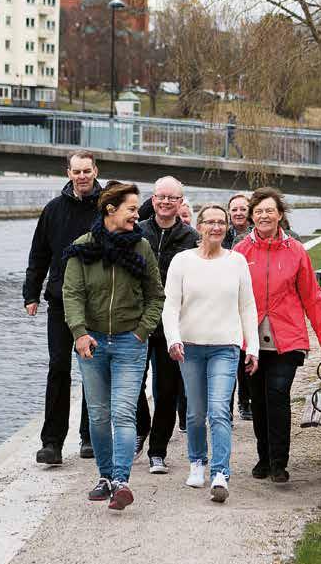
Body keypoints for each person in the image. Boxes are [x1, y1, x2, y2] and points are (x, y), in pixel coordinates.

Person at [62, 181, 164, 510]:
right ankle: (105, 476)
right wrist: (79, 333)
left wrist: (142, 331)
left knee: (123, 413)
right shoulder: (83, 247)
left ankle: (121, 481)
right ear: (111, 210)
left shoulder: (141, 248)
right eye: (132, 209)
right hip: (91, 342)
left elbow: (156, 295)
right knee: (99, 415)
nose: (138, 215)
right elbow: (72, 294)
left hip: (129, 343)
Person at [236, 187, 321, 482]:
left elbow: (312, 297)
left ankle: (279, 461)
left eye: (269, 210)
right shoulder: (241, 252)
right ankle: (263, 457)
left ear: (280, 215)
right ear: (251, 217)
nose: (264, 216)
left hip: (288, 339)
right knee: (258, 399)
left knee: (277, 395)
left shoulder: (296, 251)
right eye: (258, 211)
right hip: (252, 341)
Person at [163, 204, 259, 503]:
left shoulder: (237, 261)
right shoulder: (182, 261)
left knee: (219, 411)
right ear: (199, 226)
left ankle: (220, 473)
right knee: (195, 412)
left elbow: (247, 306)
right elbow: (171, 306)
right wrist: (173, 339)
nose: (216, 227)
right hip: (189, 347)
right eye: (210, 222)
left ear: (227, 227)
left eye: (221, 223)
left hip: (225, 347)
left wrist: (251, 346)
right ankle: (197, 462)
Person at [23, 150, 100, 465]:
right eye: (76, 171)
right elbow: (39, 253)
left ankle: (89, 436)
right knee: (58, 369)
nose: (82, 177)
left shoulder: (106, 208)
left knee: (91, 370)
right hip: (59, 302)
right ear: (69, 173)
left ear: (95, 171)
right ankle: (52, 442)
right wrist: (31, 292)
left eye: (87, 171)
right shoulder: (53, 210)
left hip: (95, 302)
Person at [134, 176, 198, 473]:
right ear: (153, 198)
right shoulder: (137, 232)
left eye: (172, 198)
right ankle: (141, 427)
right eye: (161, 196)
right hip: (137, 320)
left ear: (180, 202)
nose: (165, 202)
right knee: (133, 382)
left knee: (167, 389)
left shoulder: (190, 238)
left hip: (173, 323)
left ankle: (157, 450)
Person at [224, 193, 254, 419]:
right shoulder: (223, 235)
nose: (238, 213)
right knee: (227, 358)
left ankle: (246, 401)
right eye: (234, 209)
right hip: (225, 303)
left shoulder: (255, 237)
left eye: (243, 209)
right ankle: (227, 407)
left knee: (245, 354)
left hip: (247, 301)